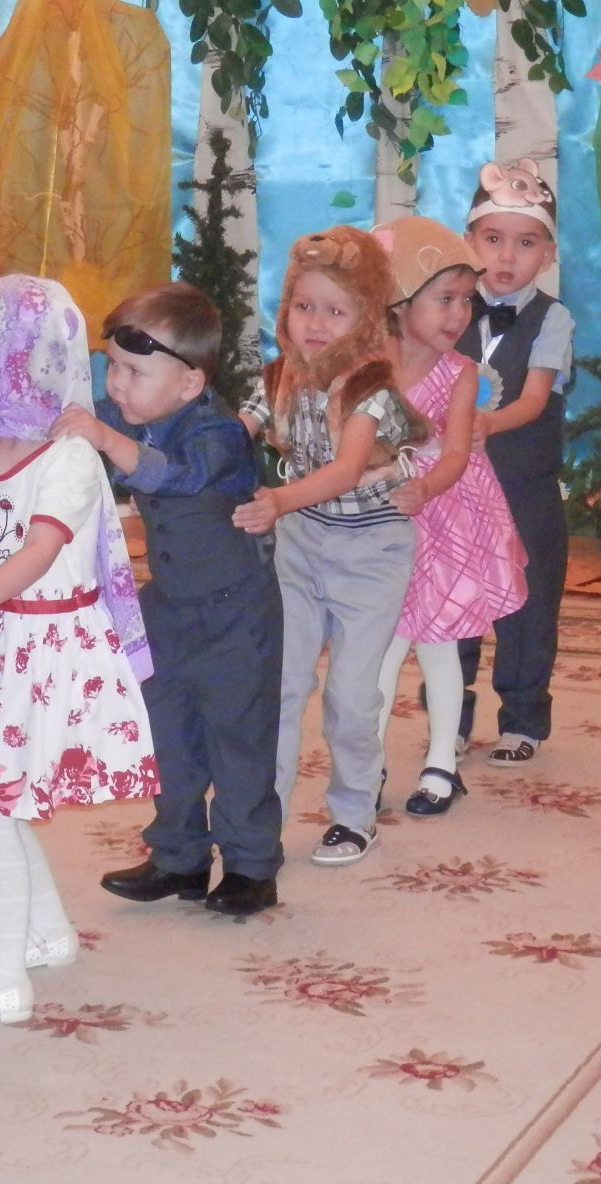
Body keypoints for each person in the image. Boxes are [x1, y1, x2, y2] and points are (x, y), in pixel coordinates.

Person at [0, 273, 158, 1024]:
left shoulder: (68, 456)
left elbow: (38, 552)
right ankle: (44, 932)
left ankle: (4, 981)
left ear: (13, 361)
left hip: (44, 651)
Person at [52, 281, 284, 916]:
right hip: (169, 609)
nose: (117, 385)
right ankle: (179, 856)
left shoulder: (218, 433)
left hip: (236, 614)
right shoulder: (132, 410)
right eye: (112, 367)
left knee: (238, 739)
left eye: (134, 372)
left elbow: (179, 477)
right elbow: (69, 413)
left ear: (189, 383)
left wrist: (106, 439)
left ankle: (250, 866)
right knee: (167, 736)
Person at [234, 225, 429, 867]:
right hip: (300, 547)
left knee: (349, 696)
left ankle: (353, 814)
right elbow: (234, 433)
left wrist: (277, 500)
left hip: (372, 553)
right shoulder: (277, 379)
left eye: (336, 311)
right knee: (281, 684)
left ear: (365, 320)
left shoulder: (369, 389)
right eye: (304, 305)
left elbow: (346, 471)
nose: (316, 323)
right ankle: (261, 819)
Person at [370, 217, 528, 814]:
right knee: (379, 649)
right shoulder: (367, 366)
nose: (460, 313)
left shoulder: (459, 372)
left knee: (439, 645)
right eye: (445, 299)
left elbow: (457, 453)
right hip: (381, 520)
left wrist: (424, 487)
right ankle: (366, 765)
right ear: (398, 301)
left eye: (466, 300)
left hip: (443, 518)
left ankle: (441, 763)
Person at [457, 159, 575, 766]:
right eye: (493, 240)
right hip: (455, 486)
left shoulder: (552, 319)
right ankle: (450, 718)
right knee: (454, 598)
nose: (506, 256)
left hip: (523, 484)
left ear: (548, 254)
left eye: (526, 243)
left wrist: (483, 425)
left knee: (528, 600)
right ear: (469, 242)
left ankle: (523, 719)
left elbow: (533, 399)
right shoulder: (447, 311)